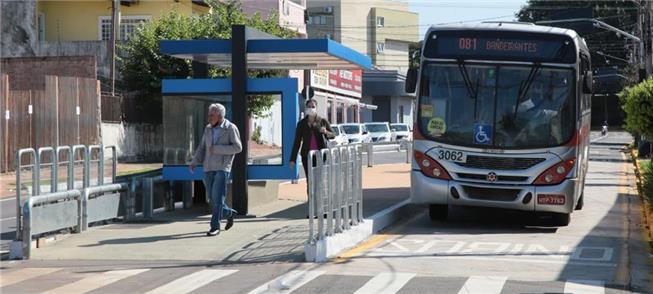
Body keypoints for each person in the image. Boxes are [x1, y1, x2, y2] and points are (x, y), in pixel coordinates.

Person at [189, 103, 242, 236]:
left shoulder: (230, 128)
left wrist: (217, 149)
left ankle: (215, 227)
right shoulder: (207, 128)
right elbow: (202, 147)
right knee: (212, 199)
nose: (209, 117)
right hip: (208, 167)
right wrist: (194, 162)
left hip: (222, 168)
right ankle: (229, 212)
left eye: (211, 115)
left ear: (220, 116)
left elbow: (238, 147)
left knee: (217, 199)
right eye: (209, 114)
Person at [289, 99, 335, 194]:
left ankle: (319, 201)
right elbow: (297, 142)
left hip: (320, 155)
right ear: (306, 108)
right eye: (309, 107)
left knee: (318, 179)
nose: (311, 109)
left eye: (313, 107)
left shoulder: (322, 121)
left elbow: (334, 134)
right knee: (310, 179)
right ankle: (311, 202)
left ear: (316, 108)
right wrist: (292, 159)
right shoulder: (301, 124)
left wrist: (325, 131)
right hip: (307, 156)